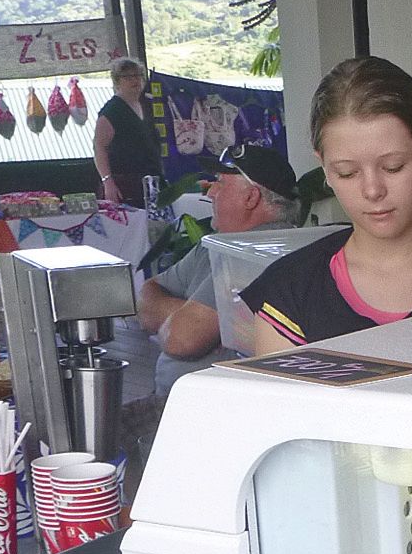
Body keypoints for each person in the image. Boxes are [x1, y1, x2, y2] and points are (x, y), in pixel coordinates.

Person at [240, 57, 412, 353]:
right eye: (347, 172)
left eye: (393, 166)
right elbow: (282, 399)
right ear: (324, 168)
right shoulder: (292, 292)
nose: (373, 190)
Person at [136, 143, 298, 393]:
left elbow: (182, 339)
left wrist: (194, 322)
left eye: (220, 182)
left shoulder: (259, 250)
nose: (210, 192)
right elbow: (147, 296)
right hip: (177, 404)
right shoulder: (215, 243)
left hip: (212, 414)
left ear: (250, 197)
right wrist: (208, 320)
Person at [94, 56, 162, 207]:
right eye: (128, 77)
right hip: (124, 184)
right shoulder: (111, 111)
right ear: (117, 81)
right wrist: (108, 182)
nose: (135, 80)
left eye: (138, 75)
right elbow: (99, 148)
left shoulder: (147, 106)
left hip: (151, 182)